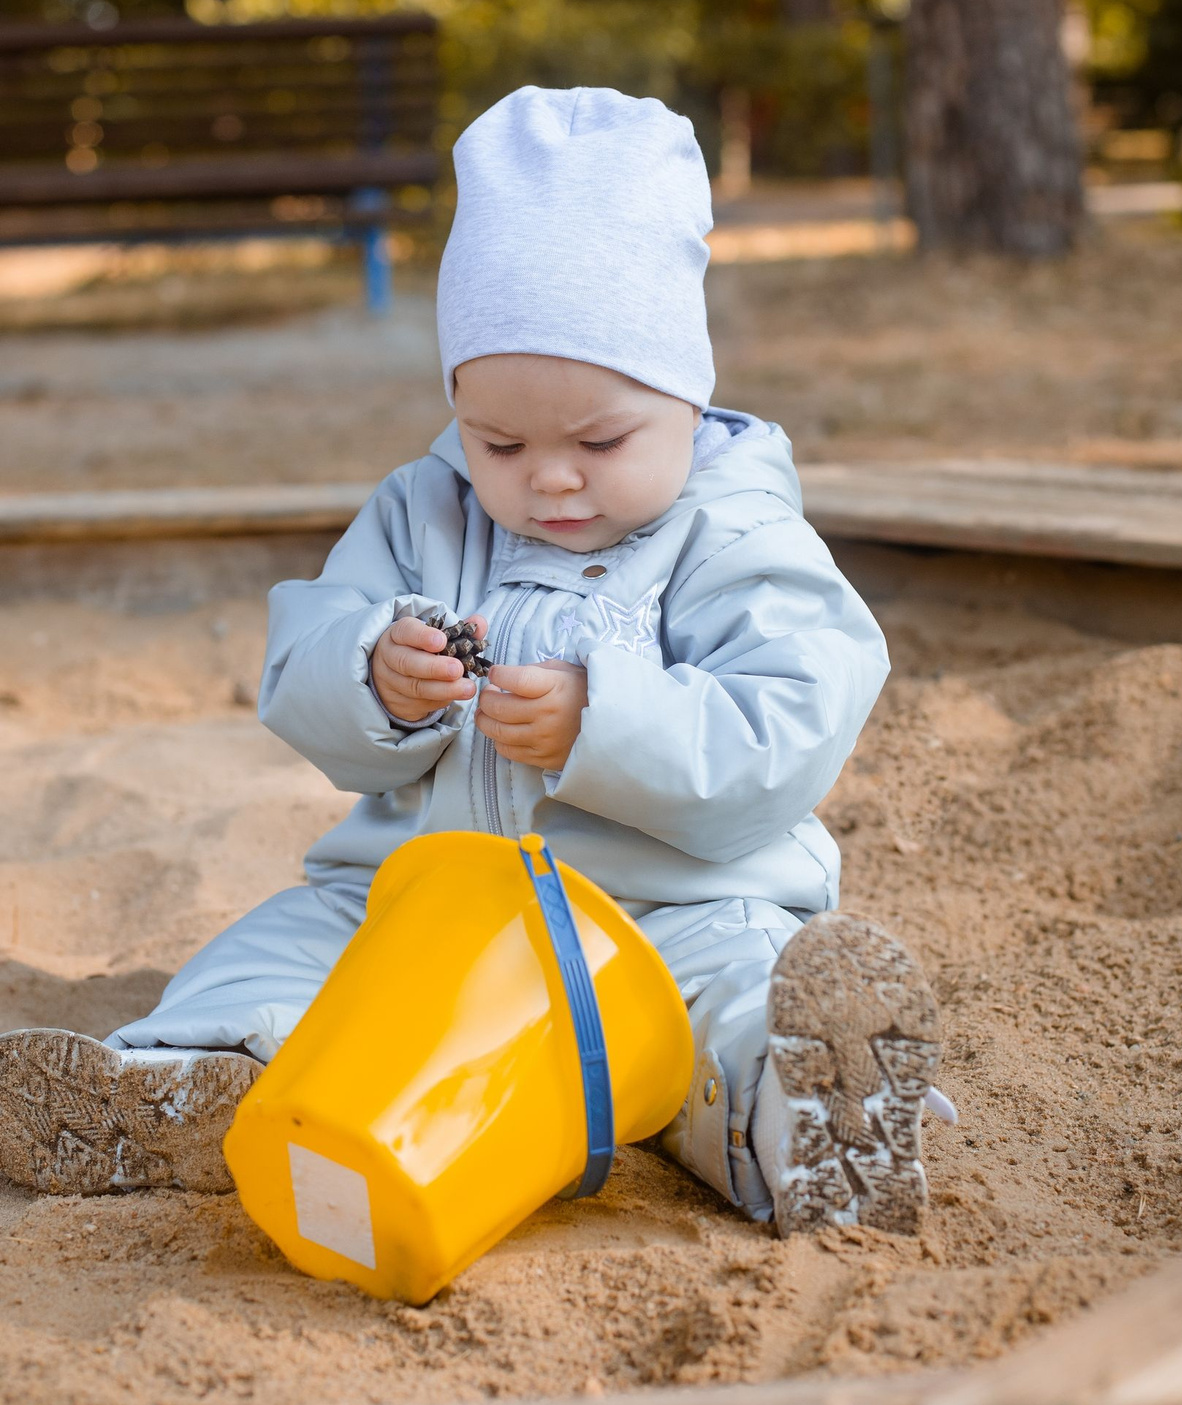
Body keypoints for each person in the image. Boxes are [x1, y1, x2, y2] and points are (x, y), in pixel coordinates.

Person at [0, 87, 954, 1233]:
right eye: (499, 440)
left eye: (600, 441)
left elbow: (790, 726)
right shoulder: (424, 511)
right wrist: (372, 674)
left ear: (688, 402)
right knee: (273, 954)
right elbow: (300, 655)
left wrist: (606, 723)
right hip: (415, 899)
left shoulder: (736, 533)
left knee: (736, 1009)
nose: (549, 478)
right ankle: (189, 1080)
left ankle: (814, 1117)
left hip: (669, 913)